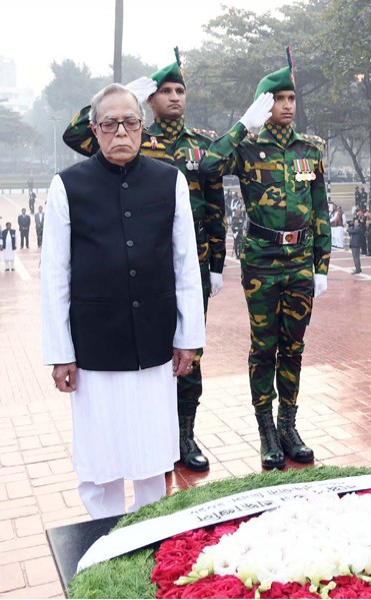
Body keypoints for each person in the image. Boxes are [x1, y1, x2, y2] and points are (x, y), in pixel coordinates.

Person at [40, 83, 205, 518]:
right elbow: (55, 274)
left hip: (154, 341)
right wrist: (60, 353)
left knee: (153, 458)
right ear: (94, 129)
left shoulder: (170, 181)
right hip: (94, 345)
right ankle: (104, 539)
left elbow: (186, 264)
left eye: (130, 122)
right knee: (101, 462)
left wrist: (188, 337)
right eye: (109, 123)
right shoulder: (67, 186)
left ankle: (151, 539)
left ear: (142, 128)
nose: (120, 132)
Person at [63, 49, 225, 473]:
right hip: (130, 286)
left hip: (185, 268)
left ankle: (184, 434)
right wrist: (127, 98)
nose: (173, 97)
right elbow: (77, 135)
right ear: (150, 101)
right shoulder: (131, 131)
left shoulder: (202, 144)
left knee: (186, 359)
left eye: (179, 90)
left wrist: (218, 262)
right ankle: (157, 441)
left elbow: (214, 204)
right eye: (163, 90)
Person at [200, 49, 331, 470]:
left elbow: (320, 207)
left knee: (293, 346)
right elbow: (208, 168)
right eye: (278, 98)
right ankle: (266, 431)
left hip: (298, 263)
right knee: (264, 348)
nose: (288, 106)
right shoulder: (248, 147)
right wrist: (243, 124)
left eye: (292, 98)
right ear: (264, 104)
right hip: (261, 261)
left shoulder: (310, 150)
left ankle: (289, 425)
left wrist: (321, 263)